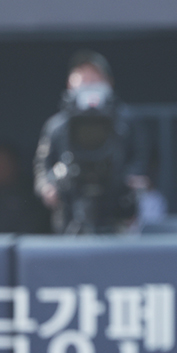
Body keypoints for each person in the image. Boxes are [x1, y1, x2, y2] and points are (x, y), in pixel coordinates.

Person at [33, 50, 148, 234]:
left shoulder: (126, 120)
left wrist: (132, 178)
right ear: (70, 83)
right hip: (71, 210)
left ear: (108, 82)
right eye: (83, 80)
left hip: (114, 208)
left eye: (94, 79)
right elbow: (42, 165)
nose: (89, 85)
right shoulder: (56, 125)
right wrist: (47, 186)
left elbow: (140, 157)